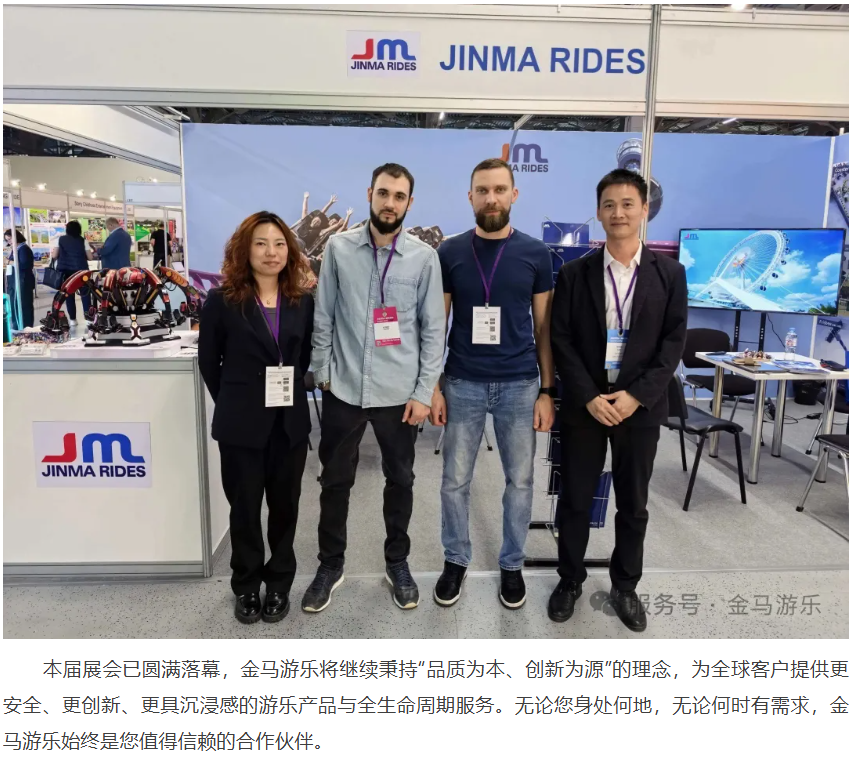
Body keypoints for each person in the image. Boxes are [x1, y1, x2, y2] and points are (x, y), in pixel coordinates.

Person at [549, 168, 688, 632]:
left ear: (644, 210)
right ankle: (569, 579)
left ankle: (625, 586)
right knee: (575, 499)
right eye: (609, 205)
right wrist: (589, 396)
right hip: (586, 406)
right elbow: (561, 338)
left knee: (633, 504)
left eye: (628, 204)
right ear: (598, 211)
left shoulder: (670, 274)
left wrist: (636, 395)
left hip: (639, 409)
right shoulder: (575, 273)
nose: (618, 213)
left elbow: (673, 343)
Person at [306, 162, 445, 613]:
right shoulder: (339, 248)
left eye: (399, 196)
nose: (390, 203)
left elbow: (433, 331)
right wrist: (322, 372)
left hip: (398, 395)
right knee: (334, 481)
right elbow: (324, 314)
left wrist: (424, 392)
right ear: (370, 194)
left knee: (400, 481)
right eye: (383, 193)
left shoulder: (424, 258)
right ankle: (330, 565)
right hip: (344, 388)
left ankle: (397, 562)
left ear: (409, 203)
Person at [430, 158, 556, 610]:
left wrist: (547, 391)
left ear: (514, 195)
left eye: (500, 189)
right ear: (470, 197)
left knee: (519, 481)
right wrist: (434, 386)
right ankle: (455, 560)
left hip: (520, 385)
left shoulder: (536, 254)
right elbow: (437, 326)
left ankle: (512, 563)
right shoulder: (450, 252)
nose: (491, 198)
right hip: (462, 381)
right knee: (454, 481)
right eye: (482, 190)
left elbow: (543, 329)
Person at [198, 211, 315, 625]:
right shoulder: (223, 300)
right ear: (244, 249)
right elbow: (209, 362)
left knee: (285, 509)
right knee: (244, 510)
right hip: (241, 425)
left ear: (290, 251)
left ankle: (279, 582)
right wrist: (234, 401)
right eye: (261, 243)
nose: (271, 252)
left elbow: (302, 358)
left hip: (289, 425)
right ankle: (246, 585)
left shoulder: (302, 300)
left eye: (280, 244)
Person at [51, 220, 92, 326]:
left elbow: (54, 255)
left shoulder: (60, 239)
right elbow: (90, 257)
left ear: (67, 229)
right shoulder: (83, 240)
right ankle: (88, 319)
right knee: (85, 294)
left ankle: (73, 319)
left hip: (66, 272)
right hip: (81, 272)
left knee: (69, 295)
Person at [4, 229, 35, 329]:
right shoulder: (16, 249)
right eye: (7, 240)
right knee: (15, 305)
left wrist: (8, 262)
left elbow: (23, 265)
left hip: (23, 281)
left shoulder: (24, 249)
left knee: (23, 305)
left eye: (10, 239)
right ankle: (18, 326)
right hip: (16, 281)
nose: (9, 242)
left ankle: (25, 328)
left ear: (16, 236)